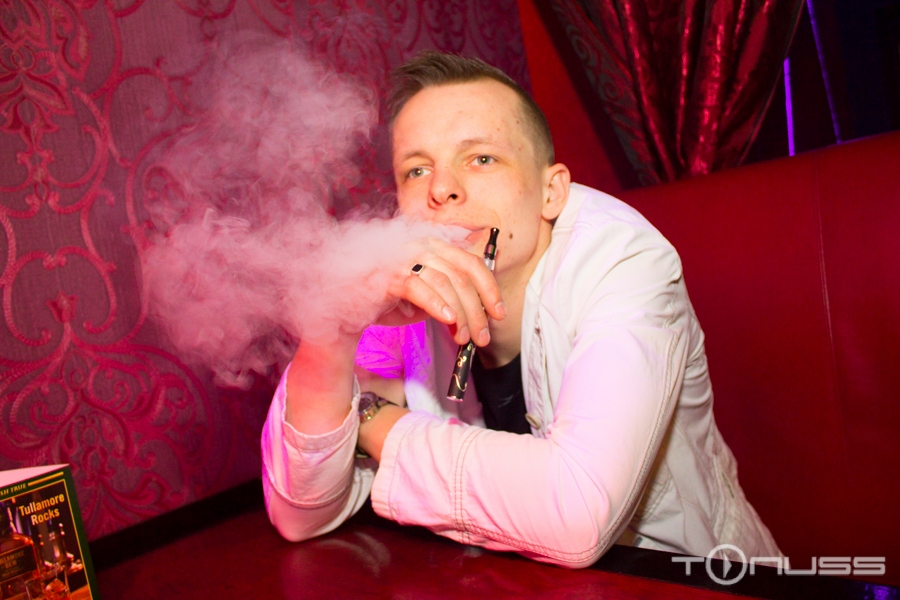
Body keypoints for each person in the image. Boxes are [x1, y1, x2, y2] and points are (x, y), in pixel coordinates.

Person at [261, 52, 780, 567]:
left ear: (551, 192)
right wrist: (334, 328)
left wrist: (374, 421)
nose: (441, 189)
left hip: (694, 577)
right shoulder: (402, 285)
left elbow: (577, 515)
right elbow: (298, 514)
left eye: (481, 159)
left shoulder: (626, 261)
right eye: (417, 170)